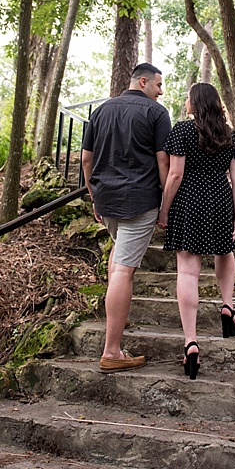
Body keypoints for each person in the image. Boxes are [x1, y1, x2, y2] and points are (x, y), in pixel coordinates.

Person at [80, 63, 171, 373]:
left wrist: (94, 195)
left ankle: (118, 315)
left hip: (107, 198)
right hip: (139, 199)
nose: (161, 91)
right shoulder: (157, 114)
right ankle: (112, 351)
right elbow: (163, 160)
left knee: (118, 254)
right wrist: (165, 203)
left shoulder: (101, 110)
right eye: (158, 84)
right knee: (124, 270)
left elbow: (86, 159)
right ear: (143, 82)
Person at [156, 82, 235, 381]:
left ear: (196, 102)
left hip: (189, 201)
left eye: (187, 97)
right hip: (220, 198)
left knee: (188, 271)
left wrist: (165, 209)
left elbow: (176, 173)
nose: (184, 101)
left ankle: (191, 341)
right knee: (225, 251)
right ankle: (228, 308)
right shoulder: (230, 135)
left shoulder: (182, 131)